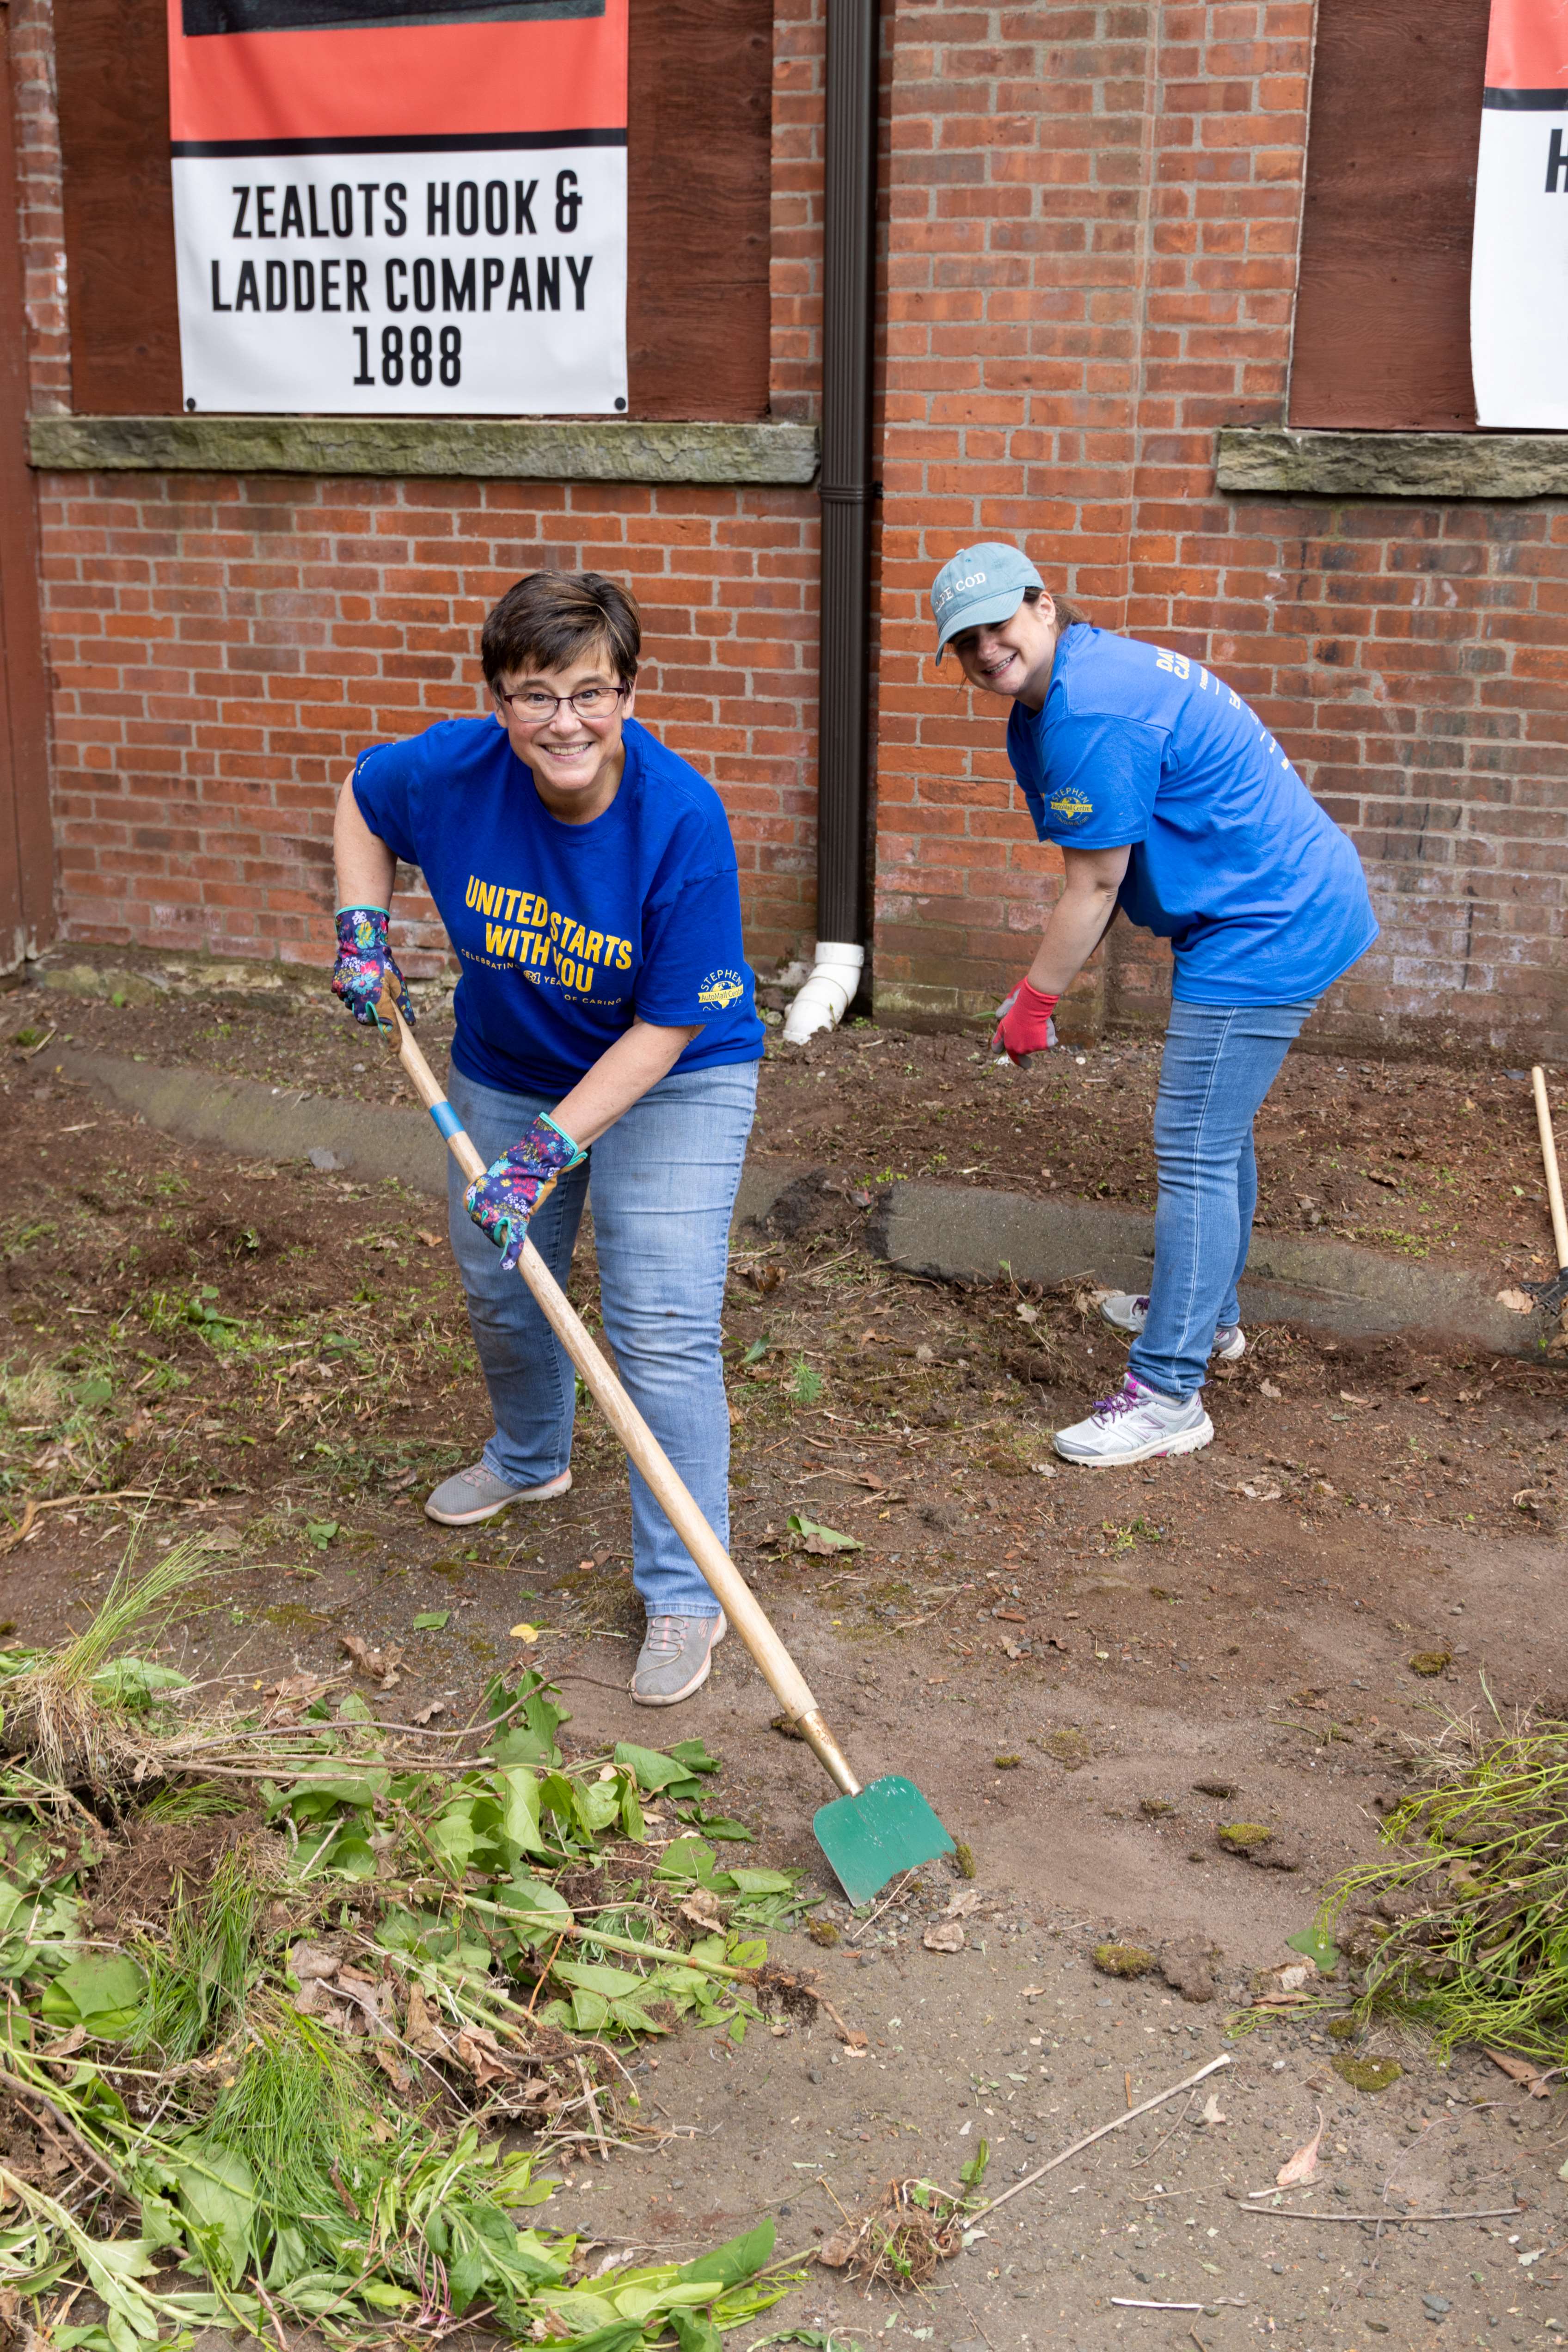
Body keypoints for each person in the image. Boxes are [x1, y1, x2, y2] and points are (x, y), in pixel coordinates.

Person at [331, 570, 764, 1703]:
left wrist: (542, 1155)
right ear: (498, 700)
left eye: (590, 693)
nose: (564, 722)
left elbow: (668, 1024)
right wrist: (362, 926)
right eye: (535, 695)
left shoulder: (678, 817)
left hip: (674, 1075)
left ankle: (685, 1594)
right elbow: (364, 800)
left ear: (627, 691)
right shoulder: (449, 771)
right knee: (499, 1275)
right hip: (510, 1065)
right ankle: (532, 1460)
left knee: (659, 1324)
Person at [929, 542, 1378, 1468]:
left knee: (1194, 1143)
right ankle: (1206, 1315)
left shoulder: (1090, 707)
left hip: (1268, 923)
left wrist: (1032, 999)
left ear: (1043, 607)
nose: (985, 649)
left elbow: (1095, 885)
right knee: (1218, 1132)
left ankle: (1169, 1391)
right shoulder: (1082, 678)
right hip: (1272, 904)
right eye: (964, 640)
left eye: (998, 625)